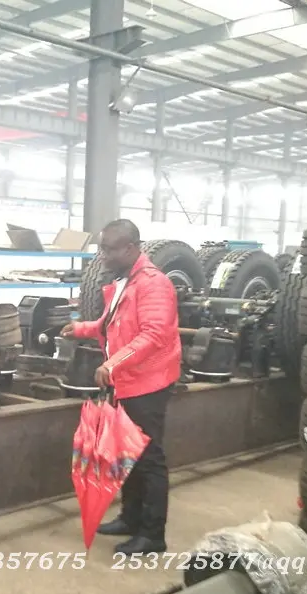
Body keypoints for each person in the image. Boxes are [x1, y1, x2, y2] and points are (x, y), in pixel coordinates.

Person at [61, 219, 181, 555]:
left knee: (149, 457)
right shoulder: (127, 280)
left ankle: (152, 535)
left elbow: (154, 334)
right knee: (129, 453)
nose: (103, 255)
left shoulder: (154, 285)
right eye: (102, 248)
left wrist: (112, 364)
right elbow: (110, 323)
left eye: (109, 249)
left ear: (130, 248)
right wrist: (81, 328)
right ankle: (130, 518)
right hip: (127, 381)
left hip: (147, 383)